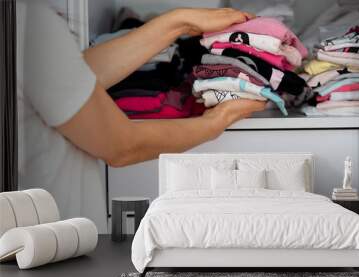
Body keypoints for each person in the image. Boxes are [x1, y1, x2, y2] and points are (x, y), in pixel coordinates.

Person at [16, 0, 266, 232]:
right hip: (52, 247)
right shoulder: (32, 21)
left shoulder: (22, 16)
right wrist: (216, 121)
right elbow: (121, 145)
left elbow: (72, 75)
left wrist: (180, 22)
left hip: (48, 240)